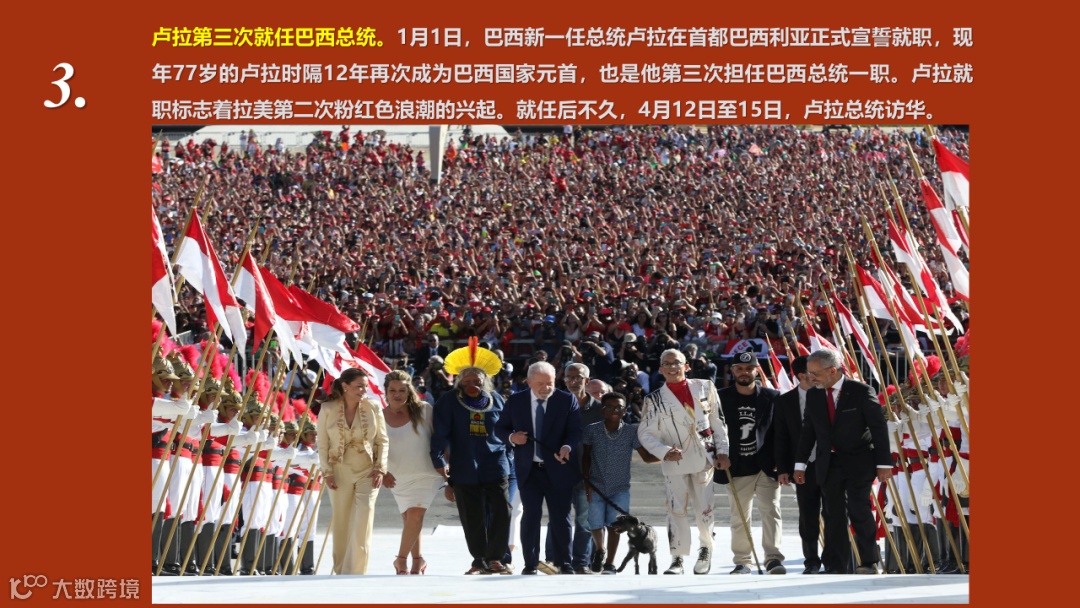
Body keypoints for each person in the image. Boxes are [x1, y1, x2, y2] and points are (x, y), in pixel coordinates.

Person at [793, 348, 892, 575]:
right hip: (828, 463)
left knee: (859, 509)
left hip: (859, 461)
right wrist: (800, 464)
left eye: (815, 373)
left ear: (832, 370)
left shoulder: (861, 391)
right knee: (832, 514)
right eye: (809, 373)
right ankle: (835, 565)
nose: (811, 378)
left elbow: (878, 428)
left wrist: (884, 464)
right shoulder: (814, 395)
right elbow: (808, 431)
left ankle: (868, 561)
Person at [637, 348, 730, 575]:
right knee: (675, 509)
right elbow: (646, 434)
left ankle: (706, 548)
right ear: (660, 369)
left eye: (676, 362)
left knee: (705, 508)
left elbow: (718, 421)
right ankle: (677, 557)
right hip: (674, 461)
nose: (672, 367)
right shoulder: (653, 399)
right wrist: (664, 451)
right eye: (667, 363)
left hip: (705, 458)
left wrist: (723, 451)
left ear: (686, 366)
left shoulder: (705, 387)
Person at [430, 351, 512, 575]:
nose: (472, 385)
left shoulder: (497, 399)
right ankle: (479, 559)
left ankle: (495, 558)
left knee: (502, 510)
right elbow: (440, 434)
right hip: (464, 465)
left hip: (496, 463)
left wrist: (510, 457)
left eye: (477, 381)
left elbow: (506, 430)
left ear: (485, 381)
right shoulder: (448, 401)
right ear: (459, 382)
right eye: (466, 382)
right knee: (471, 514)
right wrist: (438, 460)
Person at [496, 361, 582, 575]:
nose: (546, 388)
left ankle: (564, 562)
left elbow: (575, 431)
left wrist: (567, 447)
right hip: (529, 470)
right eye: (540, 384)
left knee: (561, 517)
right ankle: (530, 563)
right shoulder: (516, 401)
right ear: (528, 382)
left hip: (559, 468)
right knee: (531, 516)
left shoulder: (566, 400)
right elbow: (500, 428)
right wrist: (512, 437)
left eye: (550, 383)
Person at [715, 350, 785, 575]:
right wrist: (717, 455)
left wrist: (781, 462)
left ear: (757, 371)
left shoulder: (773, 396)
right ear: (732, 371)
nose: (744, 372)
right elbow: (710, 430)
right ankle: (743, 561)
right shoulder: (719, 397)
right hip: (735, 466)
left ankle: (773, 559)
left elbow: (781, 433)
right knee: (739, 516)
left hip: (767, 466)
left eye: (749, 369)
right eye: (739, 369)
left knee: (771, 512)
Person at [317, 367, 389, 575]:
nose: (364, 391)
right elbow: (322, 444)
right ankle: (341, 569)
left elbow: (382, 440)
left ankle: (357, 571)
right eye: (359, 386)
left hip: (368, 470)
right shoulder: (327, 408)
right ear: (345, 386)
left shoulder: (373, 407)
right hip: (339, 471)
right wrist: (327, 472)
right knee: (342, 519)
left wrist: (380, 468)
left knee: (364, 515)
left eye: (365, 386)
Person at [581, 392, 659, 574]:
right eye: (610, 407)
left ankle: (609, 563)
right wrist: (586, 481)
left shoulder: (631, 432)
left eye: (619, 408)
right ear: (603, 411)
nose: (615, 411)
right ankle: (600, 549)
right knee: (595, 523)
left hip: (620, 488)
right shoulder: (592, 430)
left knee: (615, 525)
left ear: (625, 411)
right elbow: (586, 456)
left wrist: (667, 456)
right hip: (596, 485)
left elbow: (646, 457)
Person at [382, 370, 445, 575]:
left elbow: (441, 439)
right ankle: (418, 560)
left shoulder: (424, 410)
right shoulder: (378, 415)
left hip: (427, 474)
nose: (397, 394)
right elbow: (374, 447)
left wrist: (448, 466)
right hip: (397, 477)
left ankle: (400, 560)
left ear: (409, 391)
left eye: (402, 390)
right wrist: (381, 471)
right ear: (386, 392)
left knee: (415, 515)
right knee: (411, 520)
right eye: (392, 390)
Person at [774, 355, 824, 574]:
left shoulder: (829, 395)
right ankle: (811, 560)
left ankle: (835, 559)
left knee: (835, 513)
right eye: (814, 372)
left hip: (830, 464)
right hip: (801, 468)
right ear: (802, 376)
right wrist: (783, 468)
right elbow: (781, 437)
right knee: (808, 515)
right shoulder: (785, 401)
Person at [554, 363, 603, 573]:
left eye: (578, 378)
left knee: (584, 520)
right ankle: (555, 560)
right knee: (558, 518)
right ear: (563, 379)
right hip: (560, 472)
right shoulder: (555, 406)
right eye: (569, 377)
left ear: (587, 380)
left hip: (588, 474)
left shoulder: (600, 409)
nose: (573, 382)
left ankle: (581, 562)